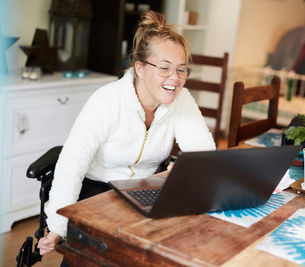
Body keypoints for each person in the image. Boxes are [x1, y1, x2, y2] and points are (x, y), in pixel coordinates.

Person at [37, 10, 215, 259]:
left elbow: (203, 153)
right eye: (164, 68)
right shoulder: (107, 100)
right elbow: (71, 165)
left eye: (182, 70)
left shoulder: (181, 100)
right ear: (140, 68)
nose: (175, 78)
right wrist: (57, 227)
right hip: (97, 190)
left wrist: (187, 169)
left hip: (143, 190)